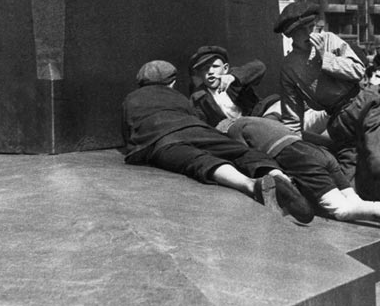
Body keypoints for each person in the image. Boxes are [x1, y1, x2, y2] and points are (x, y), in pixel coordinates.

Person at [187, 46, 380, 266]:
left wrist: (234, 77)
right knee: (348, 187)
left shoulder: (236, 86)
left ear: (226, 67)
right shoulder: (200, 99)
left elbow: (258, 68)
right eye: (203, 69)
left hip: (275, 126)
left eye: (215, 66)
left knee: (341, 208)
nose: (210, 72)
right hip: (296, 143)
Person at [274, 1, 380, 212]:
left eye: (312, 26)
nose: (311, 32)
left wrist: (325, 59)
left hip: (366, 106)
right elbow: (292, 117)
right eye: (304, 30)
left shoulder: (328, 41)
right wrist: (293, 151)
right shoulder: (289, 67)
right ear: (291, 34)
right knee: (350, 190)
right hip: (339, 123)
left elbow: (358, 70)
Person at [121, 60, 314, 223]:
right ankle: (278, 176)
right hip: (197, 129)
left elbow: (128, 132)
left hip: (163, 140)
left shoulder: (131, 99)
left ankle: (250, 185)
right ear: (171, 83)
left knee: (199, 160)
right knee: (238, 151)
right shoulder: (179, 97)